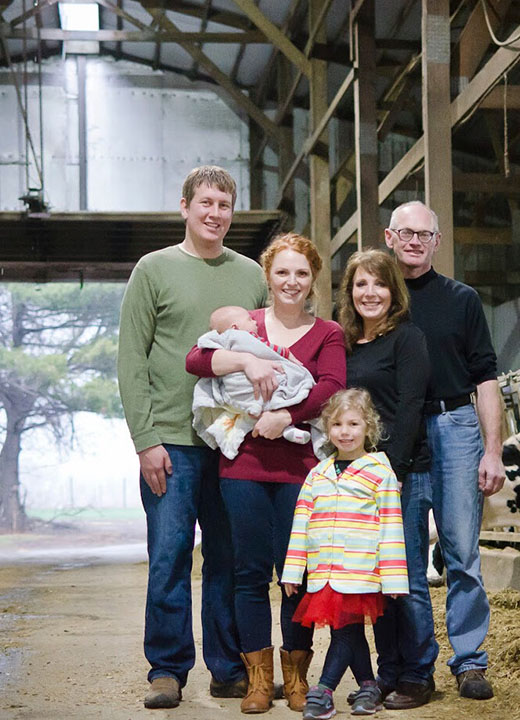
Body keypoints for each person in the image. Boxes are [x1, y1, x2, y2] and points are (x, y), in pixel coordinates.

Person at [117, 165, 266, 709]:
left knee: (229, 558)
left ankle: (227, 667)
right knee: (171, 555)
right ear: (185, 207)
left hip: (233, 442)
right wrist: (145, 439)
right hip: (172, 442)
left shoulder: (251, 275)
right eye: (205, 202)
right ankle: (167, 668)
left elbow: (266, 351)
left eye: (224, 205)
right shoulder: (152, 270)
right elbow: (131, 359)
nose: (214, 213)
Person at [185, 232, 346, 714]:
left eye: (301, 273)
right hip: (244, 468)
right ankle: (259, 680)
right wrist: (245, 358)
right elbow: (197, 359)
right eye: (282, 272)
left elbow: (334, 386)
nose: (291, 282)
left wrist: (286, 417)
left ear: (312, 279)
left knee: (294, 573)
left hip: (301, 472)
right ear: (267, 277)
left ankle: (297, 679)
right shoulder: (246, 326)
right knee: (249, 573)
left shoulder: (328, 333)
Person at [384, 200, 507, 700]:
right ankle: (418, 668)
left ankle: (470, 661)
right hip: (399, 433)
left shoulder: (463, 300)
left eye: (424, 234)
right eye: (405, 233)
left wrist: (492, 449)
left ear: (437, 242)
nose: (415, 241)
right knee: (407, 558)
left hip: (456, 425)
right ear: (388, 237)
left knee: (461, 550)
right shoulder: (376, 299)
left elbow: (487, 379)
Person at [336, 249, 438, 709]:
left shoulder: (407, 339)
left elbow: (412, 406)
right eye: (361, 284)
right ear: (349, 291)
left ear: (393, 291)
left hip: (402, 474)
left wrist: (389, 472)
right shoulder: (346, 342)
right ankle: (389, 671)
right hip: (360, 478)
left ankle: (418, 674)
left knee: (409, 577)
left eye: (378, 284)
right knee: (376, 579)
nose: (369, 293)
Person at [281, 388, 409, 719]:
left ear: (369, 427)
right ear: (327, 428)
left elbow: (391, 529)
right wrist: (293, 572)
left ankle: (322, 690)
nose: (345, 431)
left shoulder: (380, 473)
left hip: (361, 570)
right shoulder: (316, 475)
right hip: (324, 572)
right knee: (347, 631)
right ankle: (368, 686)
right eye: (337, 424)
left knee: (346, 631)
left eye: (353, 423)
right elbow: (300, 527)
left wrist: (394, 578)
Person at [191, 305, 317, 459]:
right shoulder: (246, 337)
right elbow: (268, 349)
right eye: (250, 320)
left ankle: (284, 428)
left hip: (238, 394)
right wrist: (286, 354)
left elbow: (204, 346)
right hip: (242, 384)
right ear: (235, 327)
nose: (255, 322)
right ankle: (287, 428)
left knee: (251, 411)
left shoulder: (219, 341)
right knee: (279, 389)